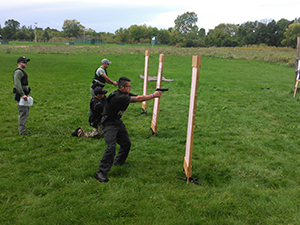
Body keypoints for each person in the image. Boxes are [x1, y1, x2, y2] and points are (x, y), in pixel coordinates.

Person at [94, 77, 163, 183]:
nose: (130, 88)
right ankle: (100, 172)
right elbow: (138, 99)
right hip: (109, 124)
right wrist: (153, 95)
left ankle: (119, 162)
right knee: (111, 147)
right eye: (129, 86)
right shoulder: (118, 97)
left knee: (126, 143)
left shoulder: (123, 94)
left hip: (117, 122)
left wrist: (152, 95)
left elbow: (137, 96)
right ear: (122, 87)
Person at [13, 56, 31, 136]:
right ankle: (22, 131)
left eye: (26, 62)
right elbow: (17, 84)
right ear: (19, 63)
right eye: (24, 62)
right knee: (23, 113)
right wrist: (23, 94)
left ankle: (22, 128)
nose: (26, 63)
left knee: (25, 112)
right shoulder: (18, 72)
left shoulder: (22, 72)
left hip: (24, 95)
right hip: (21, 96)